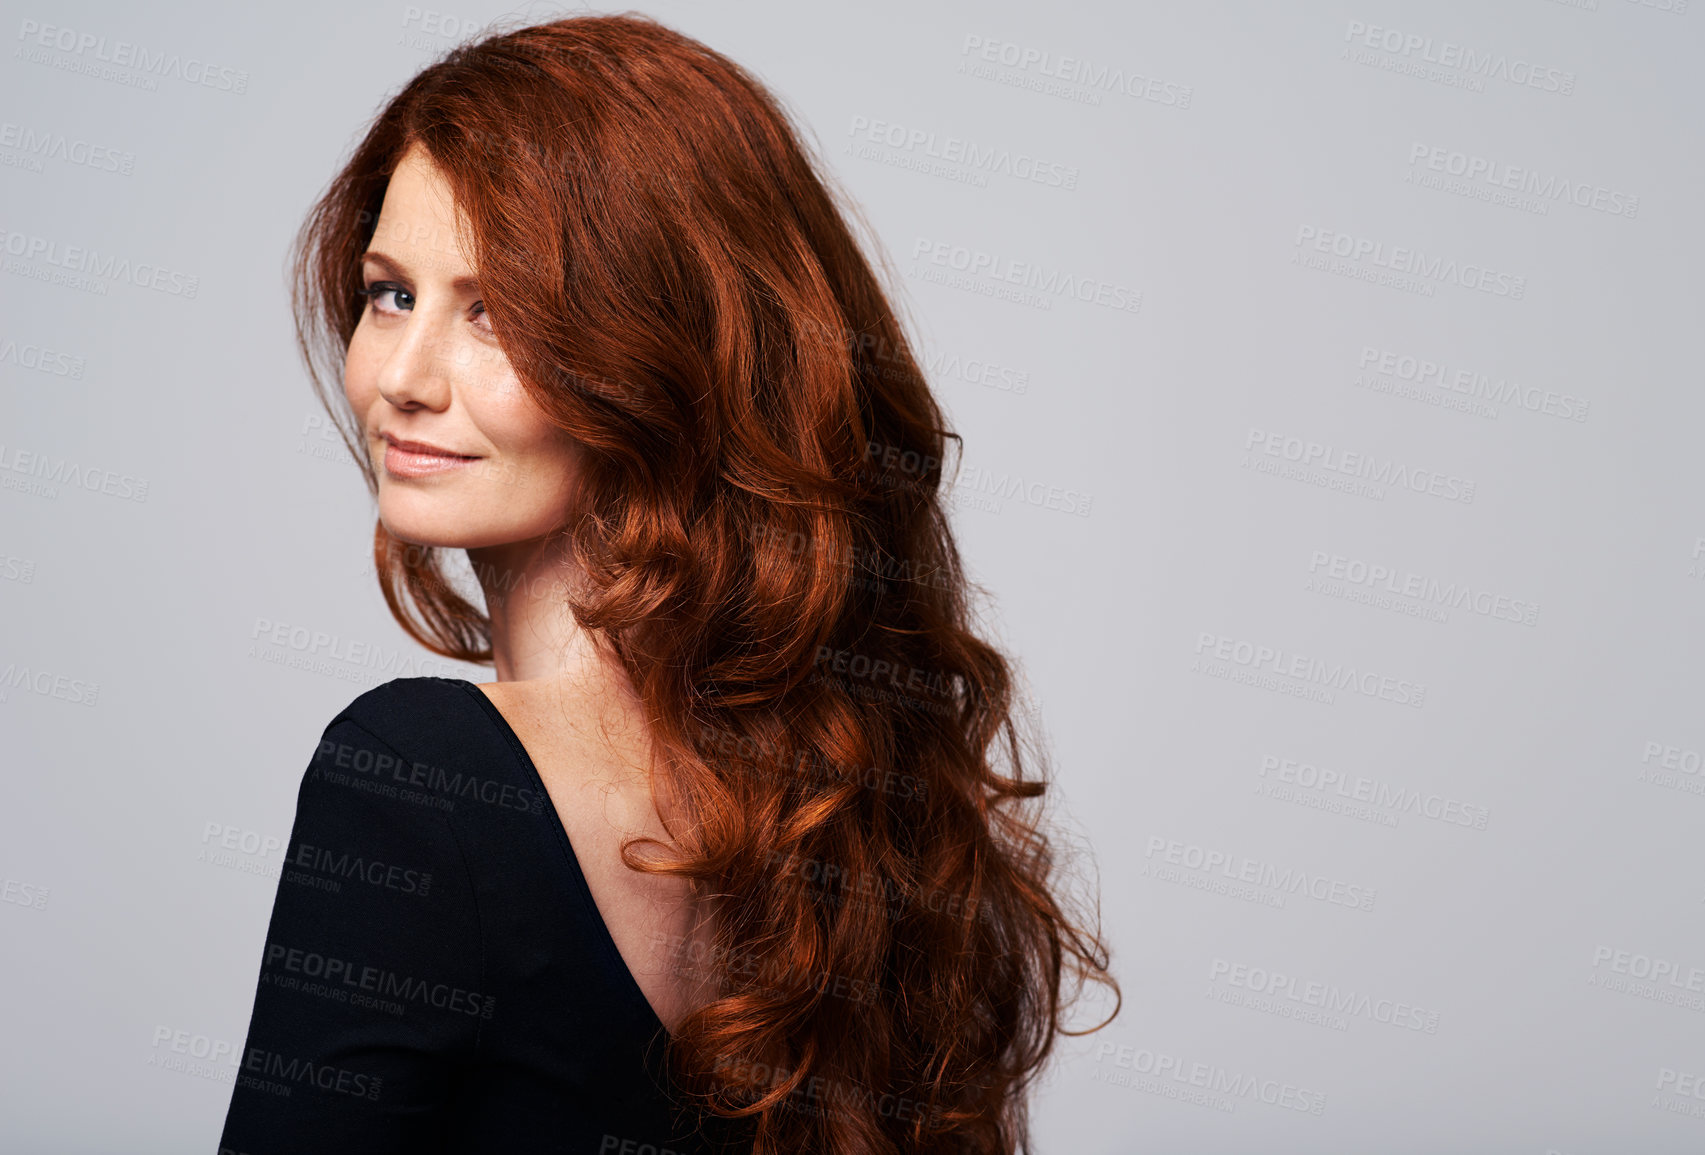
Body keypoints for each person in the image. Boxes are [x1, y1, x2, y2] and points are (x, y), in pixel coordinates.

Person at [219, 13, 1116, 1154]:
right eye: (391, 294)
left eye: (495, 312)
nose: (400, 376)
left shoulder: (417, 784)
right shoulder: (848, 805)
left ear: (660, 359)